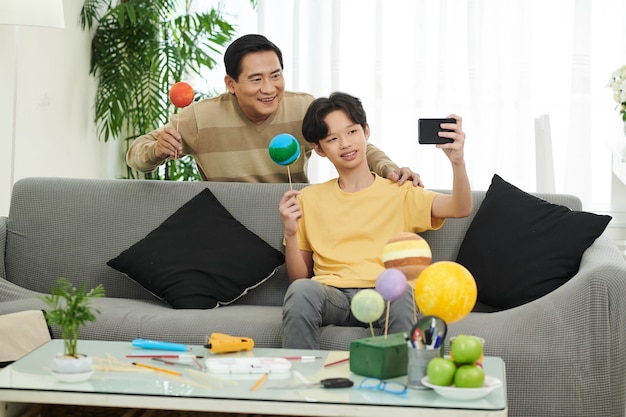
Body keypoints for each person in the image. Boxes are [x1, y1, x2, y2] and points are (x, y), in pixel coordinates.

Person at [278, 92, 472, 349]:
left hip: (387, 293)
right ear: (319, 149)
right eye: (332, 139)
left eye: (352, 132)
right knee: (302, 290)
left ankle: (399, 382)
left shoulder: (400, 190)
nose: (345, 144)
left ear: (366, 131)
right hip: (332, 295)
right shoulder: (307, 199)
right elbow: (298, 278)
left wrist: (457, 162)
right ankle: (297, 382)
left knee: (402, 294)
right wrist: (291, 233)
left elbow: (460, 208)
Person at [126, 34, 423, 186]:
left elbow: (352, 143)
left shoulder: (303, 107)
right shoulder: (199, 117)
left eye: (276, 75)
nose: (269, 89)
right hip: (226, 219)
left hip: (293, 214)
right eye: (256, 79)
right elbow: (136, 155)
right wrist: (156, 151)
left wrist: (389, 170)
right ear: (231, 83)